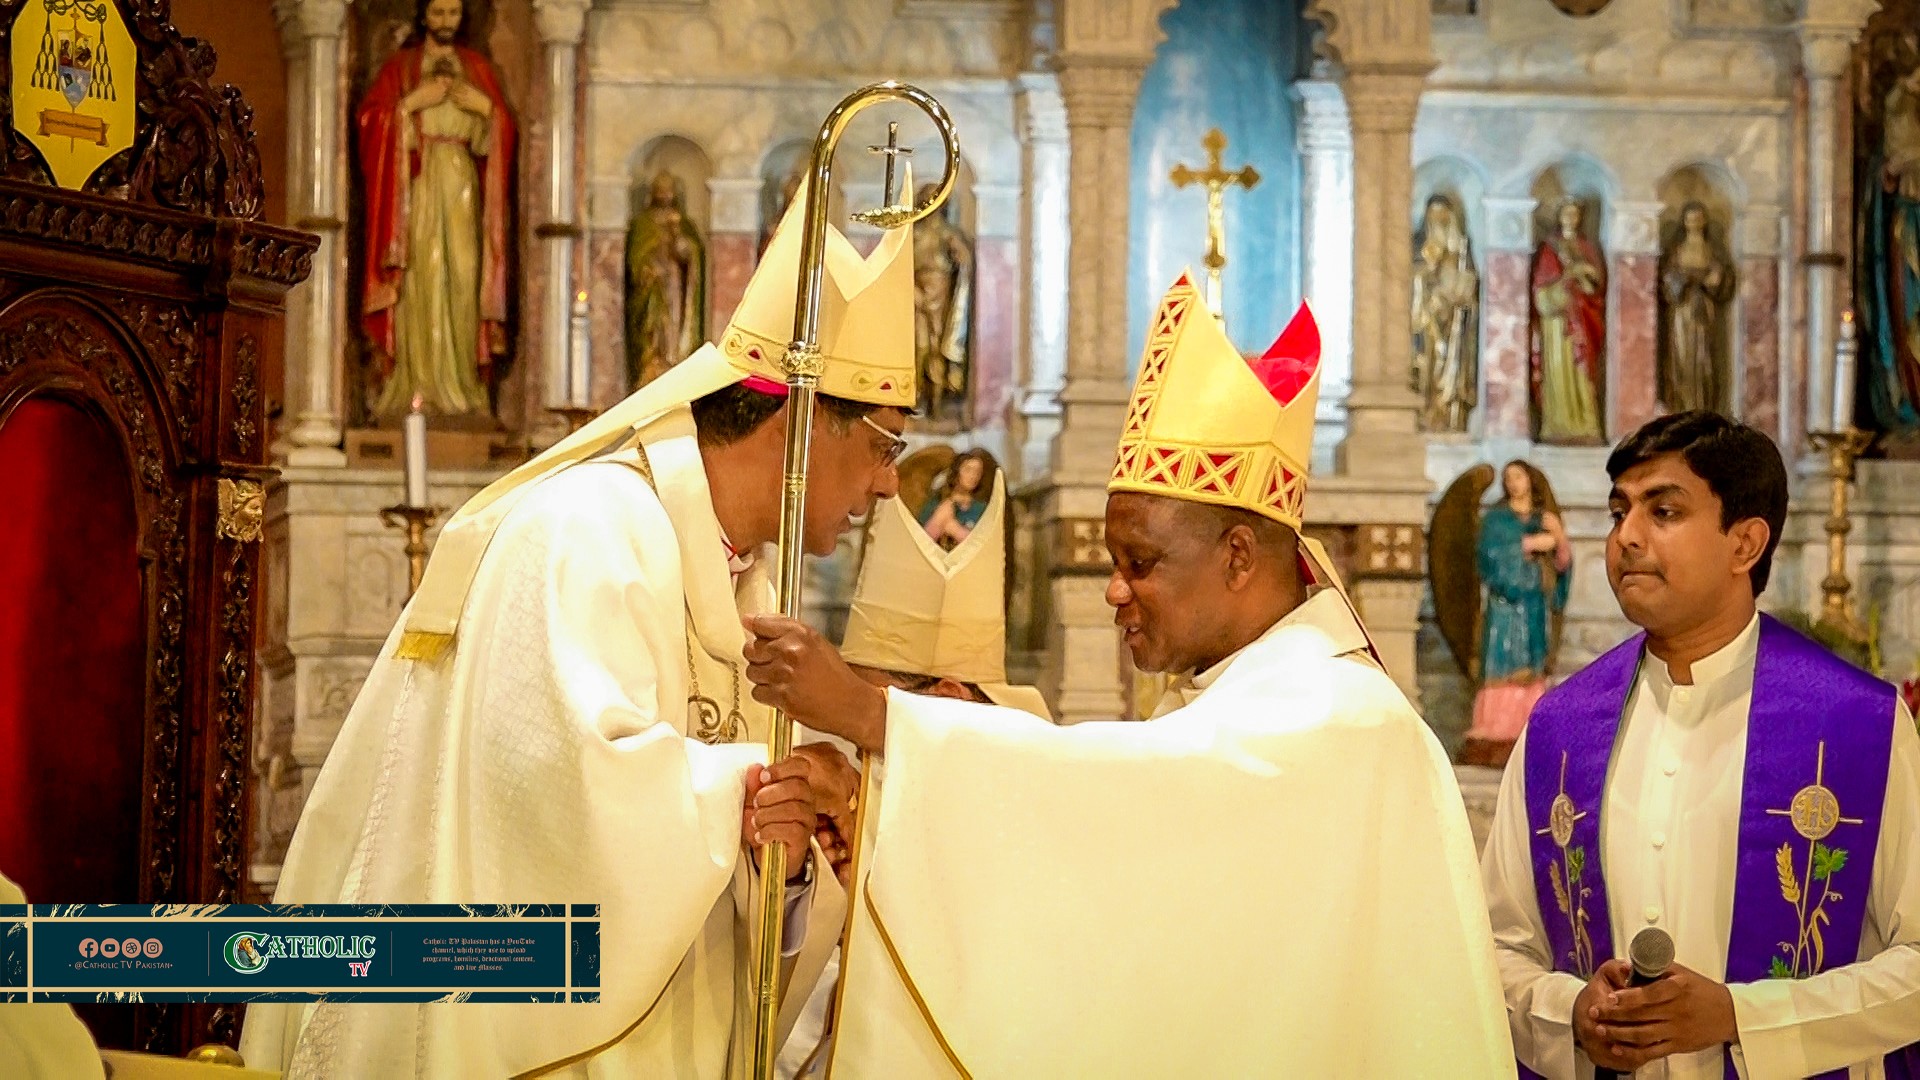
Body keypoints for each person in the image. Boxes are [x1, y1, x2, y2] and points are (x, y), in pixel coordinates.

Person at [744, 272, 1513, 1077]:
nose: (1115, 589)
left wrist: (876, 717)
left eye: (1140, 563)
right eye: (1113, 562)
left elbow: (1120, 793)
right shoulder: (1252, 695)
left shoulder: (1340, 719)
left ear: (1240, 557)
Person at [240, 183, 919, 1078]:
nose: (890, 487)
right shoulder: (589, 527)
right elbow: (565, 801)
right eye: (883, 445)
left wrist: (790, 864)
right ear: (794, 425)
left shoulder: (738, 575)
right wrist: (770, 785)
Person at [1483, 410, 1920, 1079]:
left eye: (1663, 511)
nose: (1626, 537)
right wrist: (1572, 1012)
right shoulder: (1560, 730)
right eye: (1618, 511)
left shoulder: (1860, 725)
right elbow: (1494, 949)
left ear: (1745, 543)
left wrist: (1741, 1020)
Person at [778, 470, 1049, 1079]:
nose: (855, 748)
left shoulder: (1033, 790)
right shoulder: (895, 796)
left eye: (869, 711)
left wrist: (854, 817)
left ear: (948, 698)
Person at [355, 0, 514, 421]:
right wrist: (407, 106)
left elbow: (501, 133)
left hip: (463, 183)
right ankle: (412, 386)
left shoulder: (477, 68)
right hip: (415, 189)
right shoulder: (401, 67)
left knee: (463, 278)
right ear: (424, 16)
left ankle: (465, 392)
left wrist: (486, 110)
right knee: (420, 280)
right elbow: (370, 120)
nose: (446, 21)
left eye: (454, 13)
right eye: (439, 12)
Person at [1464, 460, 1572, 755]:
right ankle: (1495, 729)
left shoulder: (1543, 518)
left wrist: (1557, 537)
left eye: (1518, 476)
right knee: (1501, 661)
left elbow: (1562, 564)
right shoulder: (1496, 521)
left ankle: (1526, 727)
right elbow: (1488, 556)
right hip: (1504, 605)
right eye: (1508, 477)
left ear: (1530, 481)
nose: (1513, 482)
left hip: (1534, 605)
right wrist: (1528, 544)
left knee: (1532, 665)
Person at [915, 447, 995, 550]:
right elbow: (922, 539)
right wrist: (941, 517)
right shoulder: (936, 502)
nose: (972, 476)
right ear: (957, 471)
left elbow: (984, 546)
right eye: (968, 470)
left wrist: (955, 529)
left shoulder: (981, 508)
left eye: (977, 472)